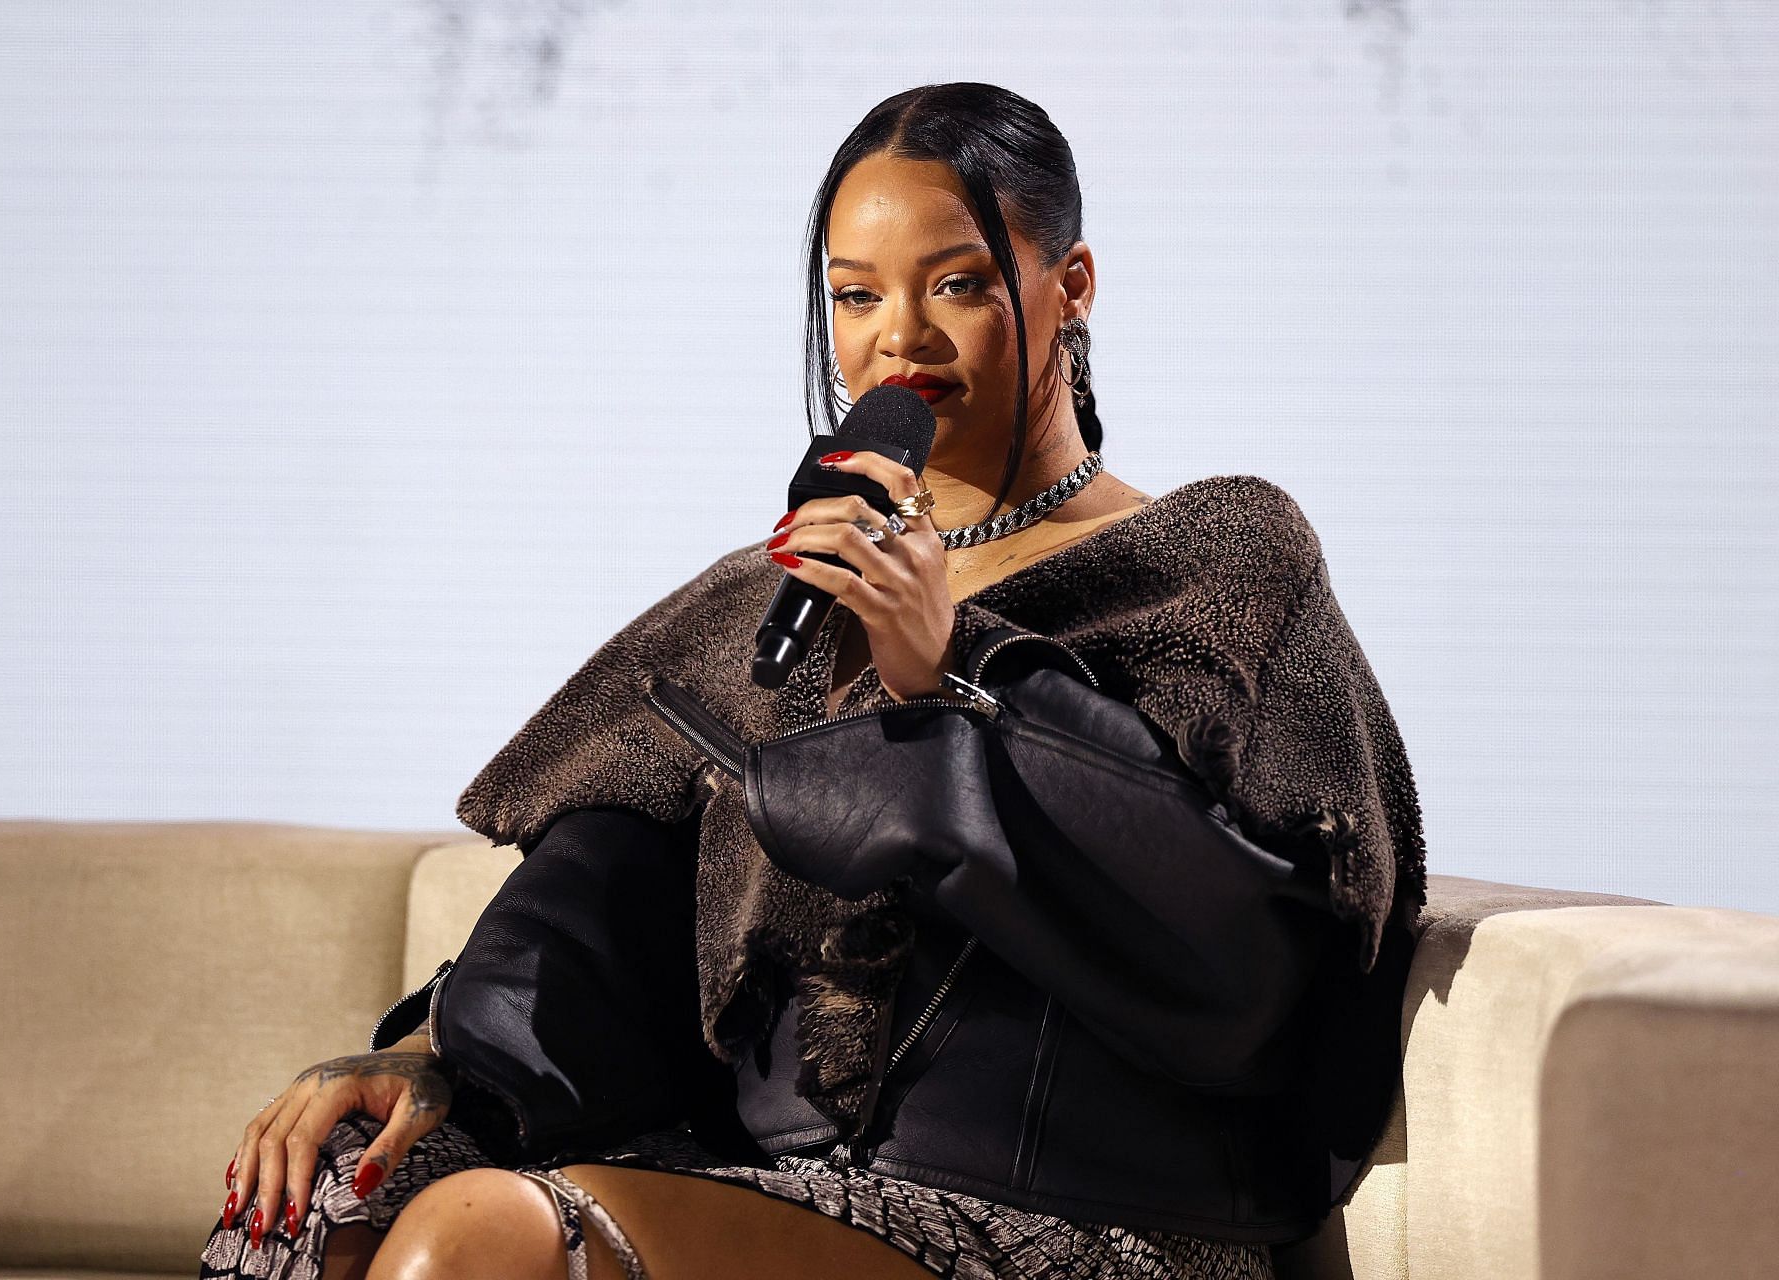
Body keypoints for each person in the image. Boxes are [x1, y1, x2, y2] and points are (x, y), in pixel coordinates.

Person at [200, 81, 1424, 1280]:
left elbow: (1252, 963)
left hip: (1081, 1214)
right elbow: (609, 877)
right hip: (786, 1185)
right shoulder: (774, 593)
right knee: (326, 1202)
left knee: (473, 1242)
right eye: (855, 295)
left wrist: (962, 670)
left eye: (957, 282)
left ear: (1073, 286)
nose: (899, 335)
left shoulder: (1212, 558)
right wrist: (438, 1050)